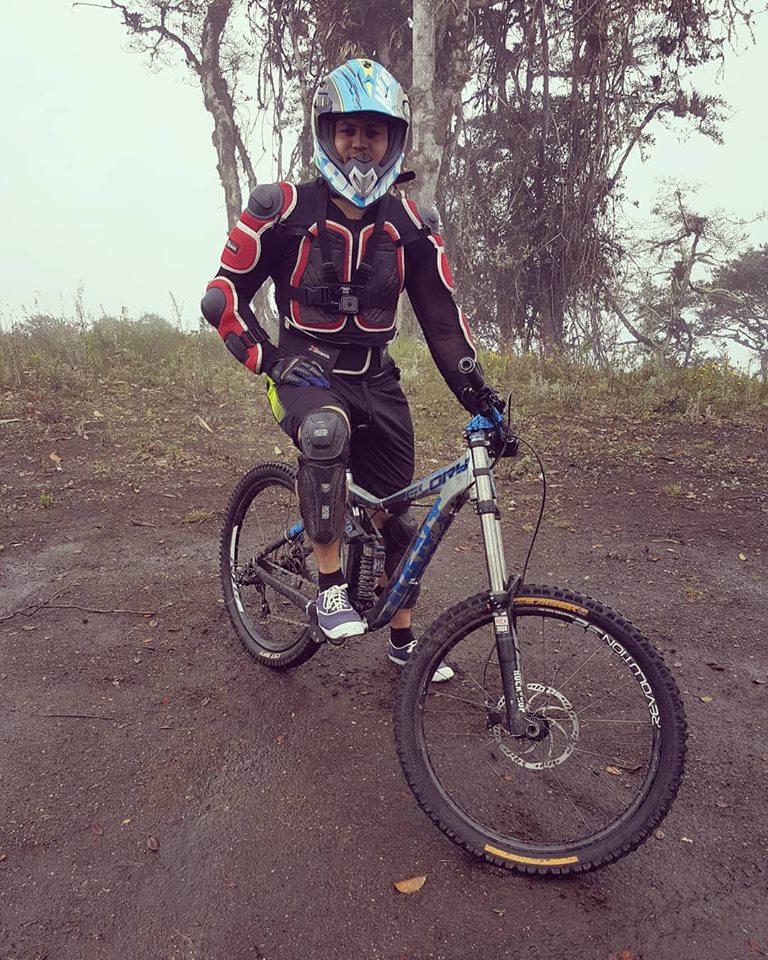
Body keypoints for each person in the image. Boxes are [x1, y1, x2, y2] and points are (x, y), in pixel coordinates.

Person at [201, 58, 502, 681]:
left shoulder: (412, 225)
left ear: (396, 140)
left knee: (400, 518)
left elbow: (445, 326)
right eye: (348, 130)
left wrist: (484, 402)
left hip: (378, 380)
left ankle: (403, 644)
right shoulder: (279, 208)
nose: (360, 143)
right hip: (305, 378)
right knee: (324, 435)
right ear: (326, 133)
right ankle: (330, 587)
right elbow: (222, 299)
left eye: (375, 131)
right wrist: (274, 361)